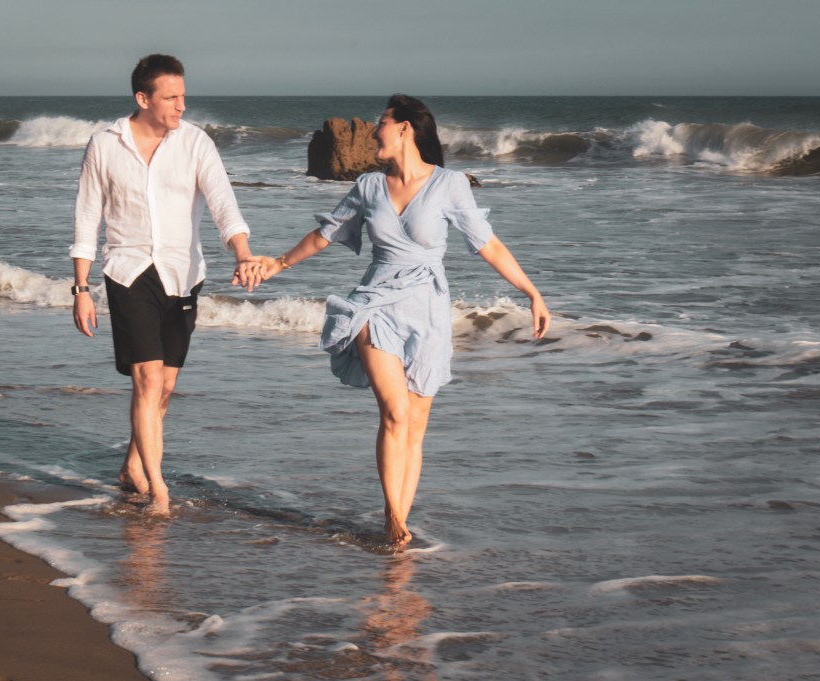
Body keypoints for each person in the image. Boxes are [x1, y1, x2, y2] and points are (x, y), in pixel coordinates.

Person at [242, 94, 550, 545]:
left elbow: (490, 245)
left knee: (416, 425)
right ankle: (391, 516)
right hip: (376, 303)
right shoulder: (368, 186)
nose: (372, 131)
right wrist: (277, 263)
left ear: (405, 128)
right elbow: (324, 235)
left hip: (427, 309)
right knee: (394, 411)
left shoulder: (449, 184)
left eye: (380, 123)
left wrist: (532, 293)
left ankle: (399, 526)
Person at [70, 54, 263, 514]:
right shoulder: (105, 143)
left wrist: (242, 253)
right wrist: (80, 289)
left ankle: (132, 466)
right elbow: (86, 216)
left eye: (183, 95)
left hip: (182, 274)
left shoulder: (195, 143)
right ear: (143, 98)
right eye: (171, 97)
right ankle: (158, 489)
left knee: (166, 386)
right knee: (147, 379)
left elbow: (223, 204)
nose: (181, 105)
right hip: (128, 272)